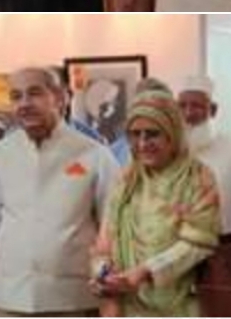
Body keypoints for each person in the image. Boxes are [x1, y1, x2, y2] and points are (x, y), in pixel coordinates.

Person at [0, 67, 119, 317]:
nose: (24, 104)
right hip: (9, 295)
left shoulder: (95, 154)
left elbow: (110, 225)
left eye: (34, 93)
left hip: (73, 298)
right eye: (16, 96)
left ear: (60, 98)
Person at [90, 89, 220, 317]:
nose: (143, 143)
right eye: (135, 134)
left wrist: (146, 271)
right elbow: (104, 243)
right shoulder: (126, 180)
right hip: (128, 306)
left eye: (152, 134)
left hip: (180, 305)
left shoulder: (197, 178)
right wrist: (104, 275)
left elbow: (199, 243)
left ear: (172, 134)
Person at [177, 75, 231, 233]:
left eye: (196, 106)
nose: (188, 114)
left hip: (222, 244)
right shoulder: (168, 152)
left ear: (212, 110)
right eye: (182, 106)